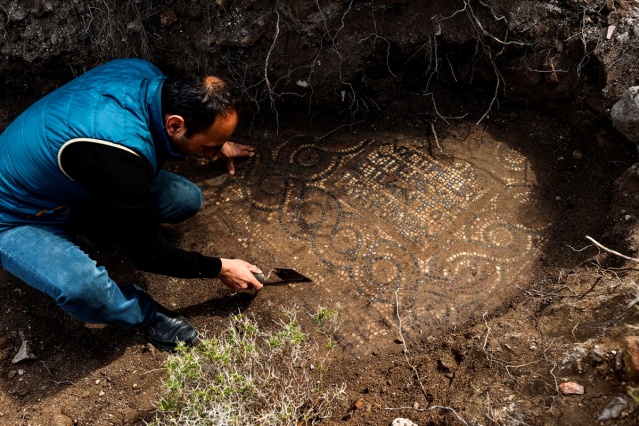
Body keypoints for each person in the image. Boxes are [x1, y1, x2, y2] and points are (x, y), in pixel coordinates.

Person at [0, 58, 264, 351]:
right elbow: (149, 256)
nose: (209, 154)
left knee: (184, 199)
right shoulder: (120, 157)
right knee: (84, 289)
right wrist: (220, 268)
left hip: (68, 180)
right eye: (208, 147)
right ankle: (142, 314)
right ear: (175, 124)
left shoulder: (145, 74)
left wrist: (217, 141)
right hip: (16, 216)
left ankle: (94, 227)